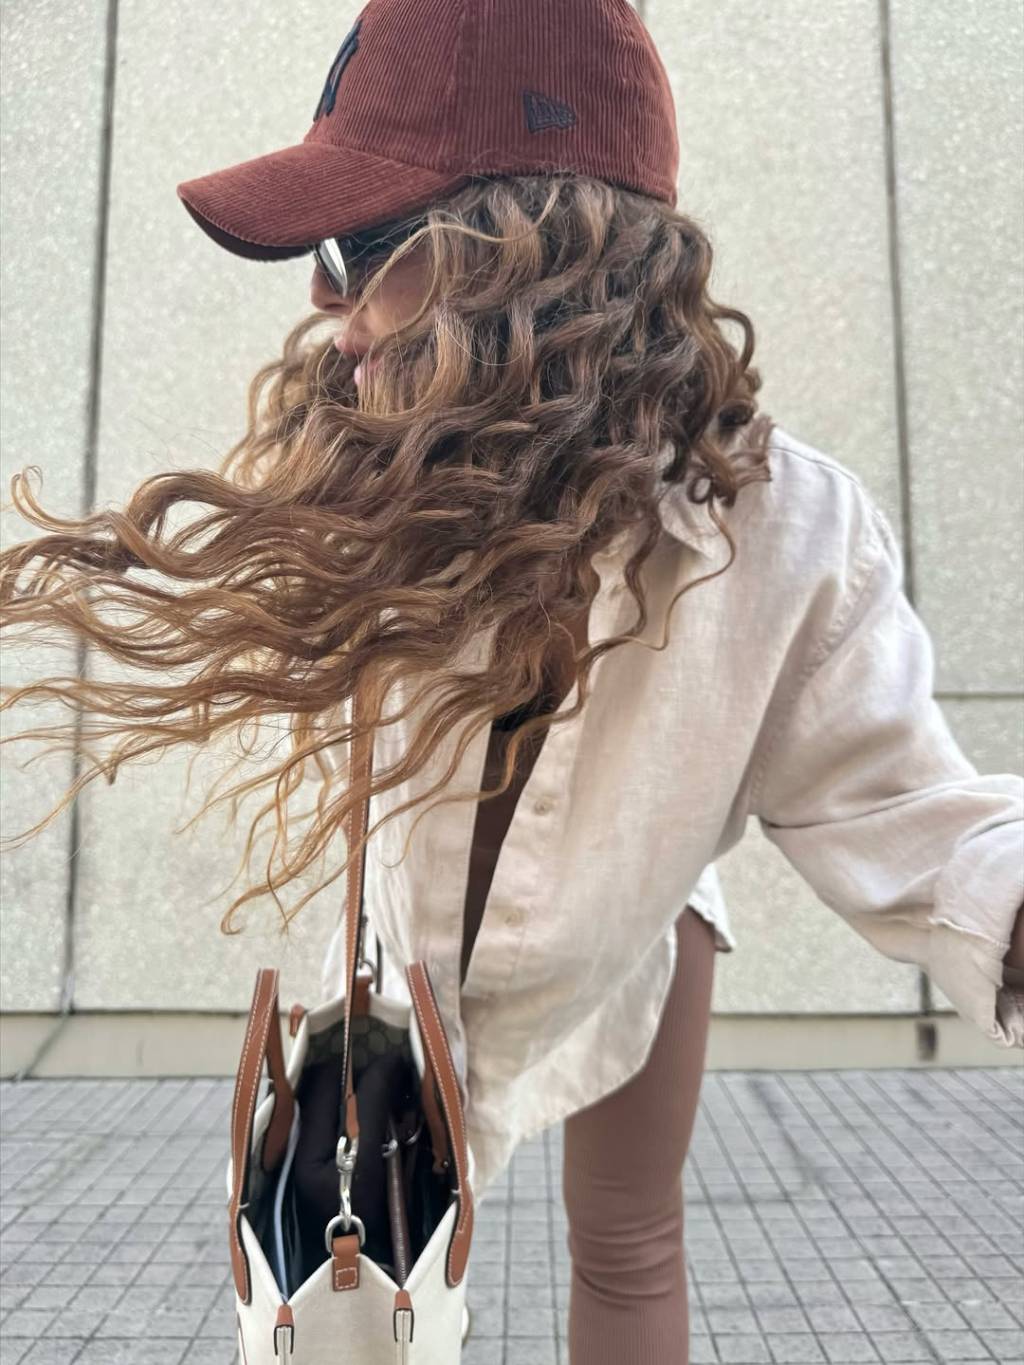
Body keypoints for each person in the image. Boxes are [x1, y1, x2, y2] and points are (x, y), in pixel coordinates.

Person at [2, 1, 1022, 1360]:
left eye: (361, 248)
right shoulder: (377, 466)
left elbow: (914, 816)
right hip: (400, 969)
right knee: (347, 1299)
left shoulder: (783, 534)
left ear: (536, 259)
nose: (326, 305)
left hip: (637, 914)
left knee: (630, 1242)